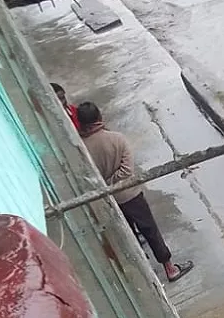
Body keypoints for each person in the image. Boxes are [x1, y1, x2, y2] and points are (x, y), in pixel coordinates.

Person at [77, 101, 194, 282]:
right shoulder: (117, 139)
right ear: (99, 117)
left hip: (108, 201)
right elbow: (126, 171)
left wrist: (103, 187)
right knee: (149, 229)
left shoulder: (80, 148)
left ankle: (145, 276)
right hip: (130, 194)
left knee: (128, 236)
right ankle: (170, 269)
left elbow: (86, 176)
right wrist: (111, 183)